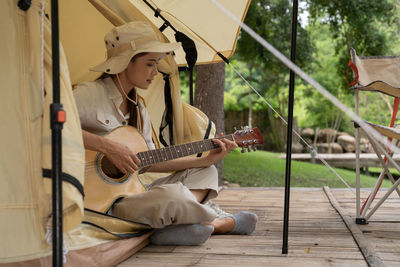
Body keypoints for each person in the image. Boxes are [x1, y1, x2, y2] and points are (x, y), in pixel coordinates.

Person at [73, 21, 258, 246]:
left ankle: (178, 227)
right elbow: (46, 124)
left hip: (132, 193)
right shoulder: (89, 94)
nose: (155, 72)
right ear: (124, 63)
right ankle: (216, 223)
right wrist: (106, 147)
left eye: (157, 64)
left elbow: (148, 162)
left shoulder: (138, 109)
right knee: (174, 197)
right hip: (103, 203)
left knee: (206, 172)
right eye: (150, 63)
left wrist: (205, 159)